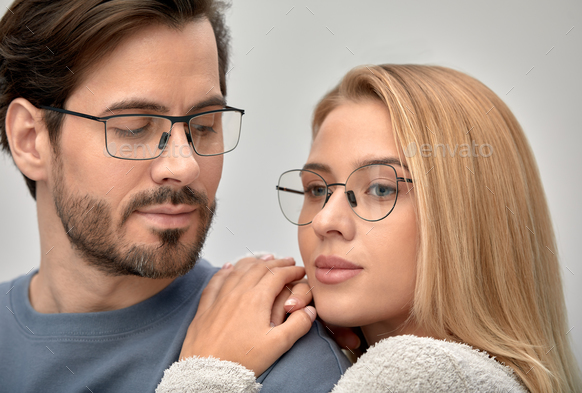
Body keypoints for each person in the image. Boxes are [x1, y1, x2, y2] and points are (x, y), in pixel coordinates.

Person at [157, 64, 582, 392]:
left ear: (468, 217)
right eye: (317, 189)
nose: (325, 220)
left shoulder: (420, 373)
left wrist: (207, 370)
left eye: (380, 188)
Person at [0, 1, 350, 391]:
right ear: (30, 140)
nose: (185, 167)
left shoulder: (280, 360)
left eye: (203, 125)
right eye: (134, 127)